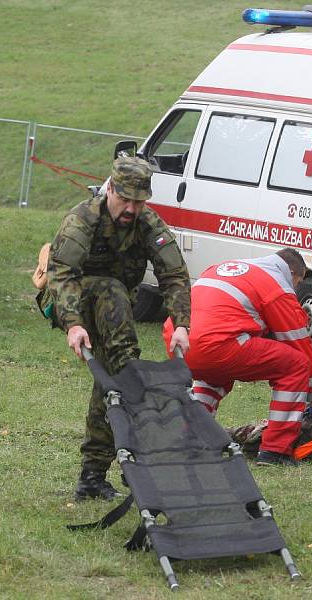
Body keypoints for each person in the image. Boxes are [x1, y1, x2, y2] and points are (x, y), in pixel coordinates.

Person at [45, 156, 191, 501]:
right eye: (124, 199)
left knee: (113, 378)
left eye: (138, 201)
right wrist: (74, 324)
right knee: (113, 303)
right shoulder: (81, 220)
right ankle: (133, 459)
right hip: (73, 299)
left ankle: (93, 477)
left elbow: (174, 275)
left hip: (116, 307)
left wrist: (182, 324)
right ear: (109, 189)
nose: (130, 208)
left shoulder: (148, 224)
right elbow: (62, 274)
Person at [162, 249, 312, 467]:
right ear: (291, 272)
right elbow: (297, 340)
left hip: (180, 342)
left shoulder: (225, 267)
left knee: (213, 375)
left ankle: (190, 439)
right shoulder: (276, 284)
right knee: (297, 364)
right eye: (298, 282)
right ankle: (275, 451)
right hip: (216, 344)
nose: (296, 288)